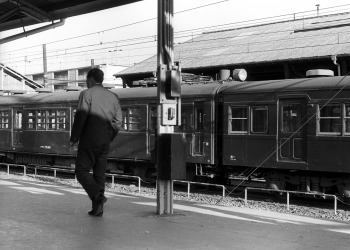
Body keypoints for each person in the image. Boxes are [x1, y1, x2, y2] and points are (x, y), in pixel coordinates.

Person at [70, 67, 122, 217]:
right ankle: (98, 209)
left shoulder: (86, 94)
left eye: (87, 80)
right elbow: (118, 121)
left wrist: (74, 138)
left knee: (81, 171)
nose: (86, 83)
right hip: (105, 141)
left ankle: (97, 195)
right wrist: (109, 135)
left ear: (91, 79)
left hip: (88, 140)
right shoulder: (113, 96)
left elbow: (81, 117)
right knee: (99, 175)